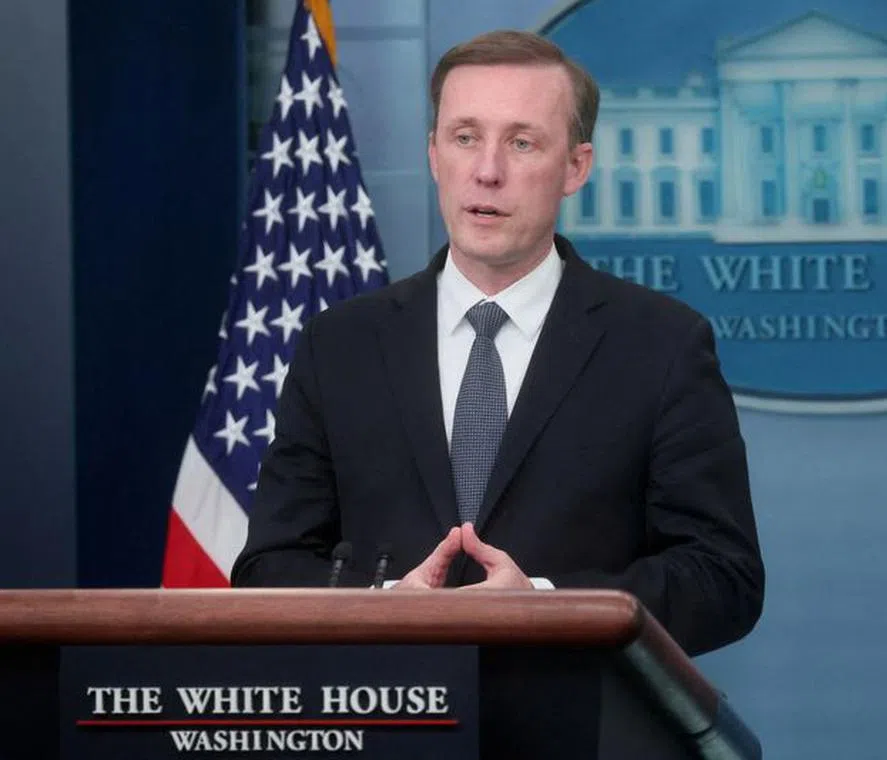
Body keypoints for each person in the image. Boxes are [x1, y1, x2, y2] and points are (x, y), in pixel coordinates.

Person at [232, 29, 763, 657]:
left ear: (575, 167)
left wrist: (542, 605)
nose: (487, 172)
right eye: (465, 138)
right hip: (388, 725)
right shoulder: (339, 344)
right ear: (433, 155)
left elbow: (722, 578)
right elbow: (268, 566)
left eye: (522, 142)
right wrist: (384, 608)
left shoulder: (662, 345)